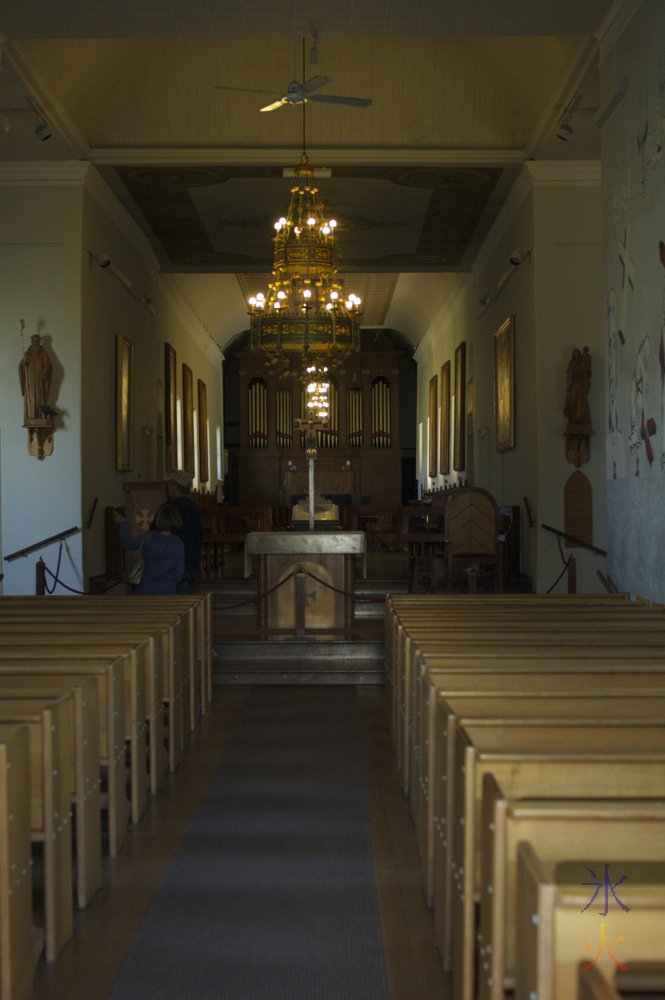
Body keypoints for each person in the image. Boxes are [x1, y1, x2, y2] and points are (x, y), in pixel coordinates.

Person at [115, 504, 185, 595]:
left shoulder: (148, 538)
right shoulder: (178, 543)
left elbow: (128, 543)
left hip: (144, 589)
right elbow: (179, 573)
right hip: (167, 590)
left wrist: (122, 524)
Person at [160, 470, 204, 594]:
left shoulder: (169, 508)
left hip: (171, 564)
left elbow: (156, 531)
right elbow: (199, 536)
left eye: (169, 484)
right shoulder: (195, 508)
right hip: (191, 562)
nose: (167, 487)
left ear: (176, 486)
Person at [19, 333, 53, 425]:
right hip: (30, 380)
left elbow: (48, 364)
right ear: (31, 342)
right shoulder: (27, 354)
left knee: (40, 396)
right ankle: (31, 416)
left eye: (37, 341)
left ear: (39, 342)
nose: (35, 343)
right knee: (31, 397)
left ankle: (41, 416)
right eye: (33, 341)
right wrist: (23, 365)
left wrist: (45, 372)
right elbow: (21, 365)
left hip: (39, 380)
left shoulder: (43, 353)